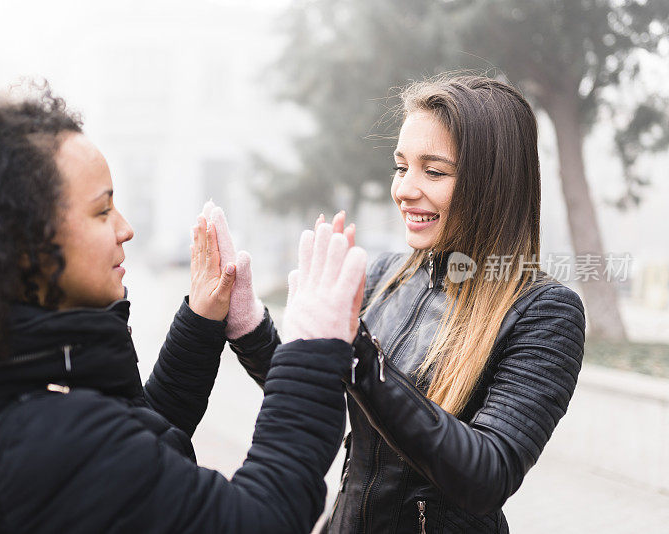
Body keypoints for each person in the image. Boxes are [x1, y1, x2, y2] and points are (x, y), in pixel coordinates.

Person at [0, 89, 369, 533]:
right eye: (102, 209)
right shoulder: (47, 441)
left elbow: (137, 456)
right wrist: (311, 347)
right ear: (20, 245)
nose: (125, 228)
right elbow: (262, 518)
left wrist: (202, 318)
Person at [207, 75, 586, 533]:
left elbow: (488, 474)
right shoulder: (384, 276)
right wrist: (246, 322)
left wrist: (363, 356)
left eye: (434, 171)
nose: (403, 190)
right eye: (400, 166)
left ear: (493, 184)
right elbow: (314, 391)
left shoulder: (544, 312)